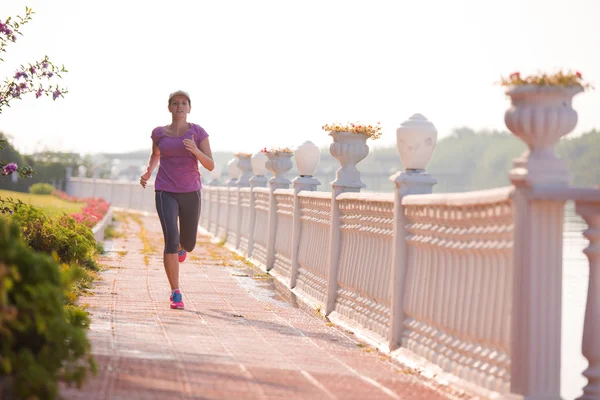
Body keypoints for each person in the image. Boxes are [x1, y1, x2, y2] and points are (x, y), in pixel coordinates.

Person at [140, 90, 214, 310]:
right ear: (169, 107)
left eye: (184, 103)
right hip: (165, 190)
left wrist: (195, 151)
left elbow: (210, 165)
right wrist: (148, 172)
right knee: (171, 239)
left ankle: (182, 247)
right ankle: (175, 292)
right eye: (175, 103)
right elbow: (156, 154)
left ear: (189, 108)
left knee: (188, 243)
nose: (180, 106)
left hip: (191, 190)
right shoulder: (158, 133)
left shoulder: (198, 132)